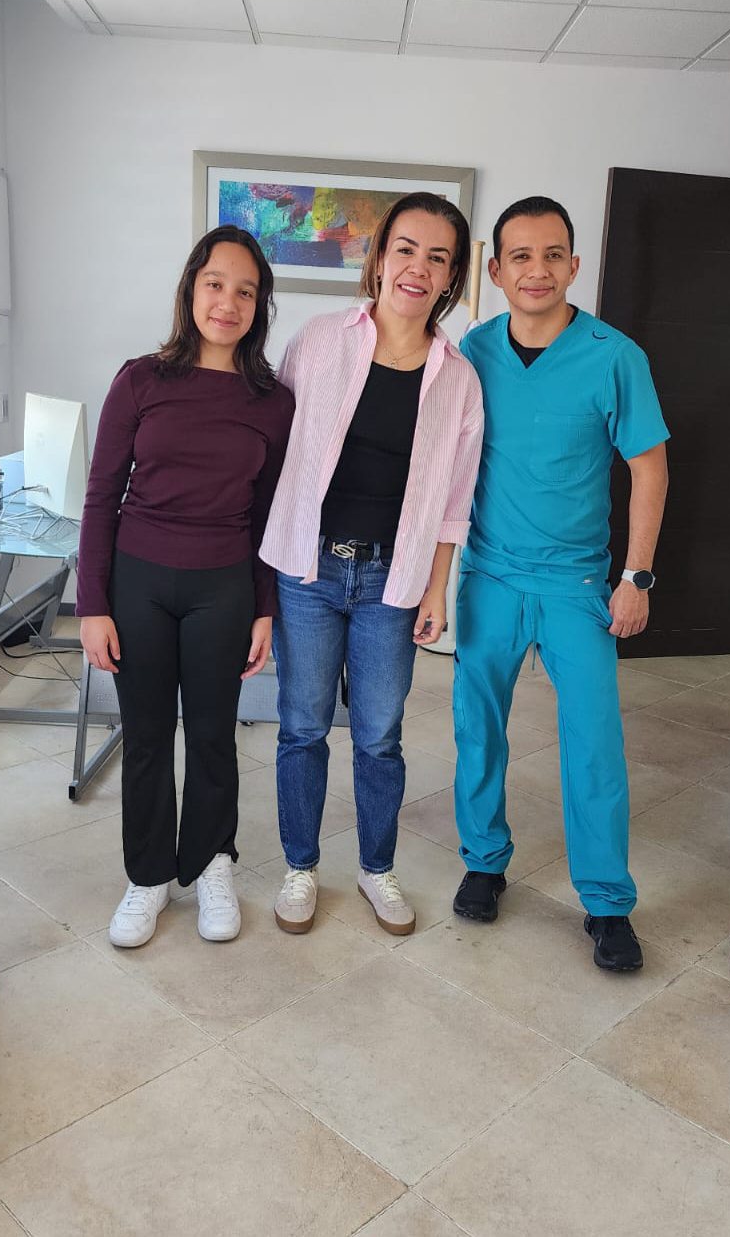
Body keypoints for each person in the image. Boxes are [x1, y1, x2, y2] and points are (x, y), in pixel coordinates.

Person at [453, 195, 669, 971]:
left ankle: (606, 903)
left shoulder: (614, 356)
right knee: (477, 728)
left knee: (593, 744)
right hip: (488, 575)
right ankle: (484, 860)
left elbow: (648, 467)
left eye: (552, 254)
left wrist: (634, 576)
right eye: (520, 255)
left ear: (574, 265)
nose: (536, 270)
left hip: (576, 583)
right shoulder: (472, 352)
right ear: (495, 269)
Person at [260, 191, 483, 937]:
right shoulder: (320, 340)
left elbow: (454, 501)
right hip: (308, 572)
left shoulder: (458, 379)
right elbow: (274, 450)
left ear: (450, 278)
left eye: (438, 257)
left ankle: (375, 867)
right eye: (406, 249)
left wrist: (436, 589)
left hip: (394, 578)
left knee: (380, 735)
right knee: (301, 725)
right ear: (380, 256)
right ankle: (300, 865)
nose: (419, 267)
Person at [77, 226, 293, 949]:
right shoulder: (140, 379)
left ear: (259, 306)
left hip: (222, 588)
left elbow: (267, 514)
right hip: (137, 583)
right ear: (191, 289)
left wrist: (264, 608)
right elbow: (101, 496)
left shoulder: (272, 402)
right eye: (214, 284)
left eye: (245, 291)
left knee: (211, 736)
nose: (227, 302)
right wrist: (92, 603)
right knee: (145, 736)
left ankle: (209, 863)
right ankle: (147, 875)